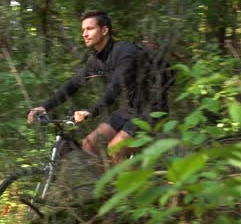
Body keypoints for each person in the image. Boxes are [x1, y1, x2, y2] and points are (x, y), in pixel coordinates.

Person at [27, 10, 151, 166]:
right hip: (126, 110)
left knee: (115, 149)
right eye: (83, 30)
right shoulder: (96, 60)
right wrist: (45, 107)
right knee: (89, 145)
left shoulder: (125, 52)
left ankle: (132, 190)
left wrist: (91, 111)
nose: (84, 34)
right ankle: (106, 189)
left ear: (104, 30)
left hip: (149, 110)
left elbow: (115, 87)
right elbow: (73, 85)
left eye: (90, 29)